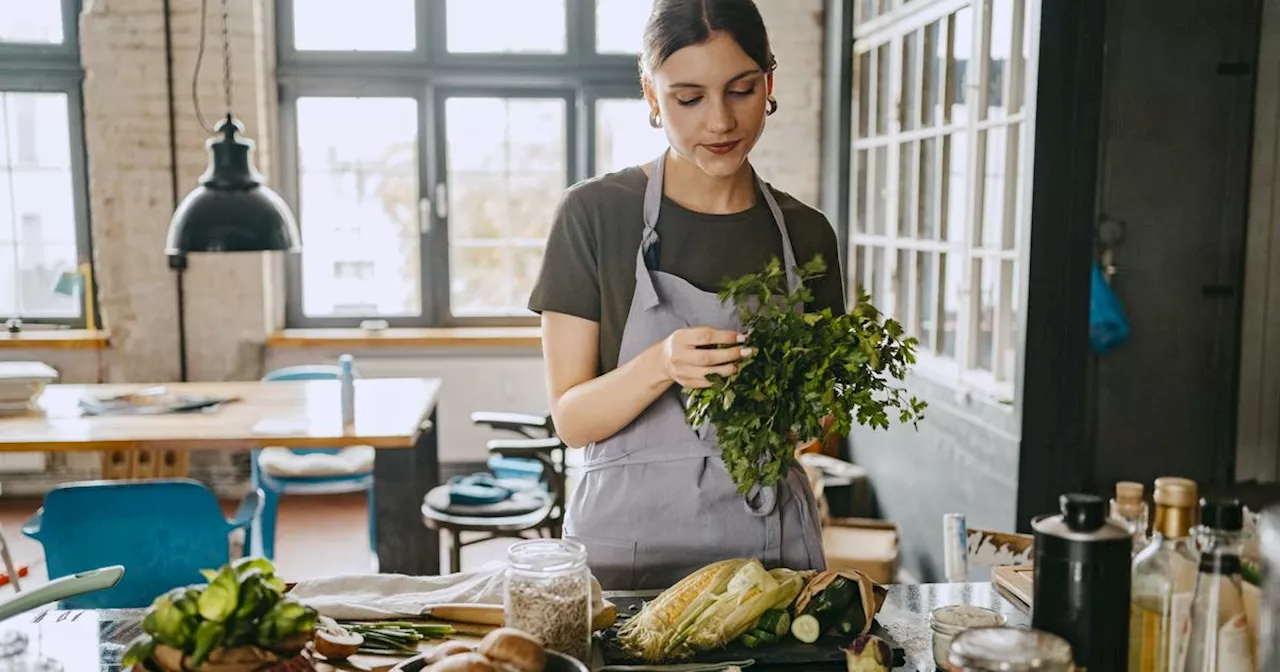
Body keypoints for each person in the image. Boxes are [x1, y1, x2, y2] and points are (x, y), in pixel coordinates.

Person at [527, 0, 844, 591]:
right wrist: (662, 364)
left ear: (769, 83)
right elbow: (570, 419)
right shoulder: (595, 216)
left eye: (742, 90)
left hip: (770, 551)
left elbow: (819, 422)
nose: (720, 122)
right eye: (689, 98)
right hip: (628, 554)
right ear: (651, 95)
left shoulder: (806, 234)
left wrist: (802, 405)